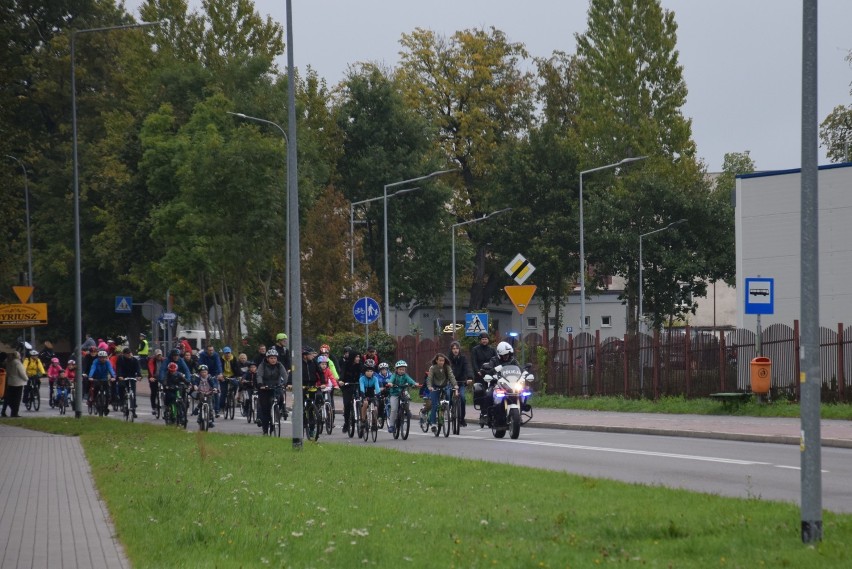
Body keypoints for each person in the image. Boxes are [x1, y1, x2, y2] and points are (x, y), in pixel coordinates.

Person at [478, 341, 520, 423]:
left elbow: (519, 369)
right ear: (499, 354)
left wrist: (525, 372)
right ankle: (486, 414)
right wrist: (494, 370)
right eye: (504, 355)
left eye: (508, 354)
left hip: (511, 384)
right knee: (488, 394)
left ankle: (519, 412)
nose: (506, 356)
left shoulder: (513, 361)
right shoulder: (494, 360)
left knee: (523, 392)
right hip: (496, 384)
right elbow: (489, 370)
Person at [256, 349, 288, 435]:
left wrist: (285, 383)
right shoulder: (262, 365)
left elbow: (284, 374)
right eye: (271, 358)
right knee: (265, 410)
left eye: (274, 358)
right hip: (265, 387)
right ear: (267, 358)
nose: (273, 360)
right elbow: (259, 375)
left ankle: (279, 412)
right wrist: (260, 384)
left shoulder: (279, 365)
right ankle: (265, 430)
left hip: (276, 386)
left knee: (281, 396)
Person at [426, 353, 457, 433]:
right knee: (435, 405)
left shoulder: (447, 367)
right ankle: (433, 424)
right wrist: (430, 386)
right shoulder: (433, 368)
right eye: (440, 360)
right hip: (435, 387)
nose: (441, 362)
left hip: (444, 386)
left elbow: (451, 376)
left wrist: (455, 385)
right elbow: (429, 378)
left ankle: (446, 409)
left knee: (448, 394)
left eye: (443, 361)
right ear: (436, 361)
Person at [385, 360, 417, 434]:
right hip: (394, 394)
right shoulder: (394, 375)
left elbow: (410, 380)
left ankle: (407, 410)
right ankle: (392, 425)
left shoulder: (405, 375)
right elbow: (391, 380)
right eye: (400, 369)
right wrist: (390, 383)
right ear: (396, 370)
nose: (402, 371)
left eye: (403, 369)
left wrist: (414, 383)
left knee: (407, 397)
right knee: (394, 409)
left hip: (403, 392)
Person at [448, 341, 474, 427]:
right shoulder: (448, 359)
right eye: (453, 348)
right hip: (451, 382)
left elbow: (467, 368)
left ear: (459, 349)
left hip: (461, 382)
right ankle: (450, 410)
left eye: (457, 348)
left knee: (462, 398)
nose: (455, 350)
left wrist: (469, 377)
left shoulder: (463, 358)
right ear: (451, 350)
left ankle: (462, 419)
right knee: (448, 396)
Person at [339, 351, 362, 433]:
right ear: (352, 358)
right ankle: (346, 422)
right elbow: (342, 373)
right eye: (356, 357)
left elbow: (362, 374)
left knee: (362, 400)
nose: (358, 359)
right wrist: (341, 380)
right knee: (347, 404)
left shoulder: (360, 365)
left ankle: (363, 421)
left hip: (357, 384)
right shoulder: (346, 364)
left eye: (359, 357)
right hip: (347, 385)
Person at [197, 345, 223, 416]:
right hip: (204, 373)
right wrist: (200, 372)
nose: (211, 352)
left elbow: (218, 364)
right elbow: (200, 364)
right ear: (206, 350)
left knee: (216, 391)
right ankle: (199, 407)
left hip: (214, 374)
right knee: (201, 391)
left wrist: (220, 373)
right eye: (209, 350)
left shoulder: (216, 355)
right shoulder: (202, 355)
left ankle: (217, 410)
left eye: (212, 350)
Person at [115, 347, 141, 418]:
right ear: (123, 354)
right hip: (123, 377)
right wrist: (120, 376)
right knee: (121, 387)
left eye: (129, 353)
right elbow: (119, 368)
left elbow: (138, 368)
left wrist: (139, 375)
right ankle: (122, 402)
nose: (128, 355)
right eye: (127, 354)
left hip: (132, 377)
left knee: (133, 393)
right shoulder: (120, 359)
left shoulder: (134, 360)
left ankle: (134, 410)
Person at [358, 361, 382, 435]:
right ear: (365, 371)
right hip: (364, 394)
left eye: (371, 371)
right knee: (365, 403)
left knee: (375, 408)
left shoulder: (375, 378)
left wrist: (378, 394)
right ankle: (363, 420)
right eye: (368, 371)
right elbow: (361, 388)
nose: (369, 373)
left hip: (372, 394)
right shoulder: (362, 379)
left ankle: (374, 421)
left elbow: (377, 388)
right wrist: (363, 396)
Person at [3, 351, 28, 417]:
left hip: (11, 381)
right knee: (17, 399)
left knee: (10, 397)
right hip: (18, 382)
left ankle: (11, 411)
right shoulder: (17, 363)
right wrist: (26, 379)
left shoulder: (8, 362)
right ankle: (14, 413)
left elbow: (7, 372)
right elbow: (21, 372)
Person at [220, 346, 240, 415]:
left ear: (230, 353)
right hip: (223, 376)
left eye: (229, 353)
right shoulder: (221, 359)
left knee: (236, 384)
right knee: (224, 392)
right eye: (226, 353)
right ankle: (221, 407)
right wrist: (220, 375)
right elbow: (219, 368)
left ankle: (233, 396)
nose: (228, 355)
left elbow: (237, 368)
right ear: (224, 354)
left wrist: (238, 376)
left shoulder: (234, 359)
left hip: (232, 376)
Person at [147, 349, 165, 414]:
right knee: (154, 392)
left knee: (166, 390)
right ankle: (154, 407)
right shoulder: (152, 361)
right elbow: (150, 368)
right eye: (157, 355)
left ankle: (166, 405)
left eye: (160, 355)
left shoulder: (164, 360)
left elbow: (166, 369)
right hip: (154, 377)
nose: (159, 357)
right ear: (155, 355)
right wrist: (151, 377)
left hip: (162, 378)